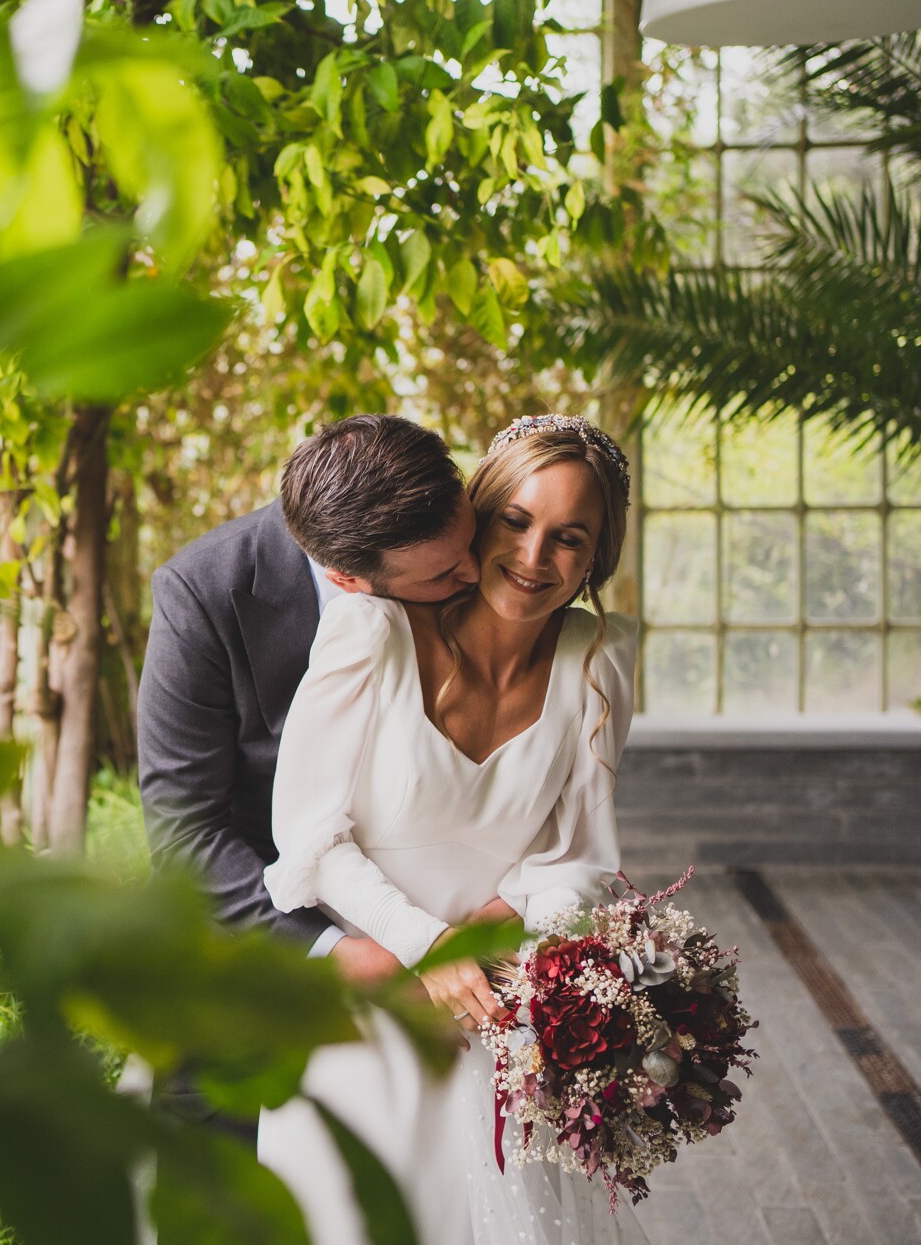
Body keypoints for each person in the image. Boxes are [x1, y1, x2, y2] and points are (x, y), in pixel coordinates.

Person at [258, 414, 647, 1245]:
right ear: (481, 512)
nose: (534, 557)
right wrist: (424, 946)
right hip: (368, 1012)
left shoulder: (596, 661)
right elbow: (310, 839)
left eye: (569, 538)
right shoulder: (372, 632)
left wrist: (495, 957)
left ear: (595, 559)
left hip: (502, 1017)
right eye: (516, 521)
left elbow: (578, 857)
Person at [138, 413, 481, 993]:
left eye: (470, 544)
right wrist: (347, 958)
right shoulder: (201, 594)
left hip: (454, 924)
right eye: (443, 575)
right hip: (270, 940)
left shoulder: (469, 558)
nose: (475, 574)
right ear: (347, 579)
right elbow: (185, 832)